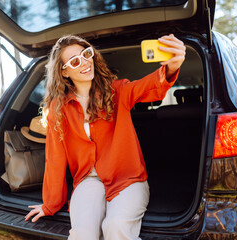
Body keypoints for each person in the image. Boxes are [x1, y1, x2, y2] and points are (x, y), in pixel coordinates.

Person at [25, 34, 186, 239]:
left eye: (86, 54)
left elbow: (147, 87)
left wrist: (171, 67)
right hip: (88, 180)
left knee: (115, 227)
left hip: (127, 179)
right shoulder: (59, 107)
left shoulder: (117, 91)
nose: (85, 62)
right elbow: (55, 159)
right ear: (64, 72)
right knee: (83, 234)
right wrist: (50, 204)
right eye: (75, 61)